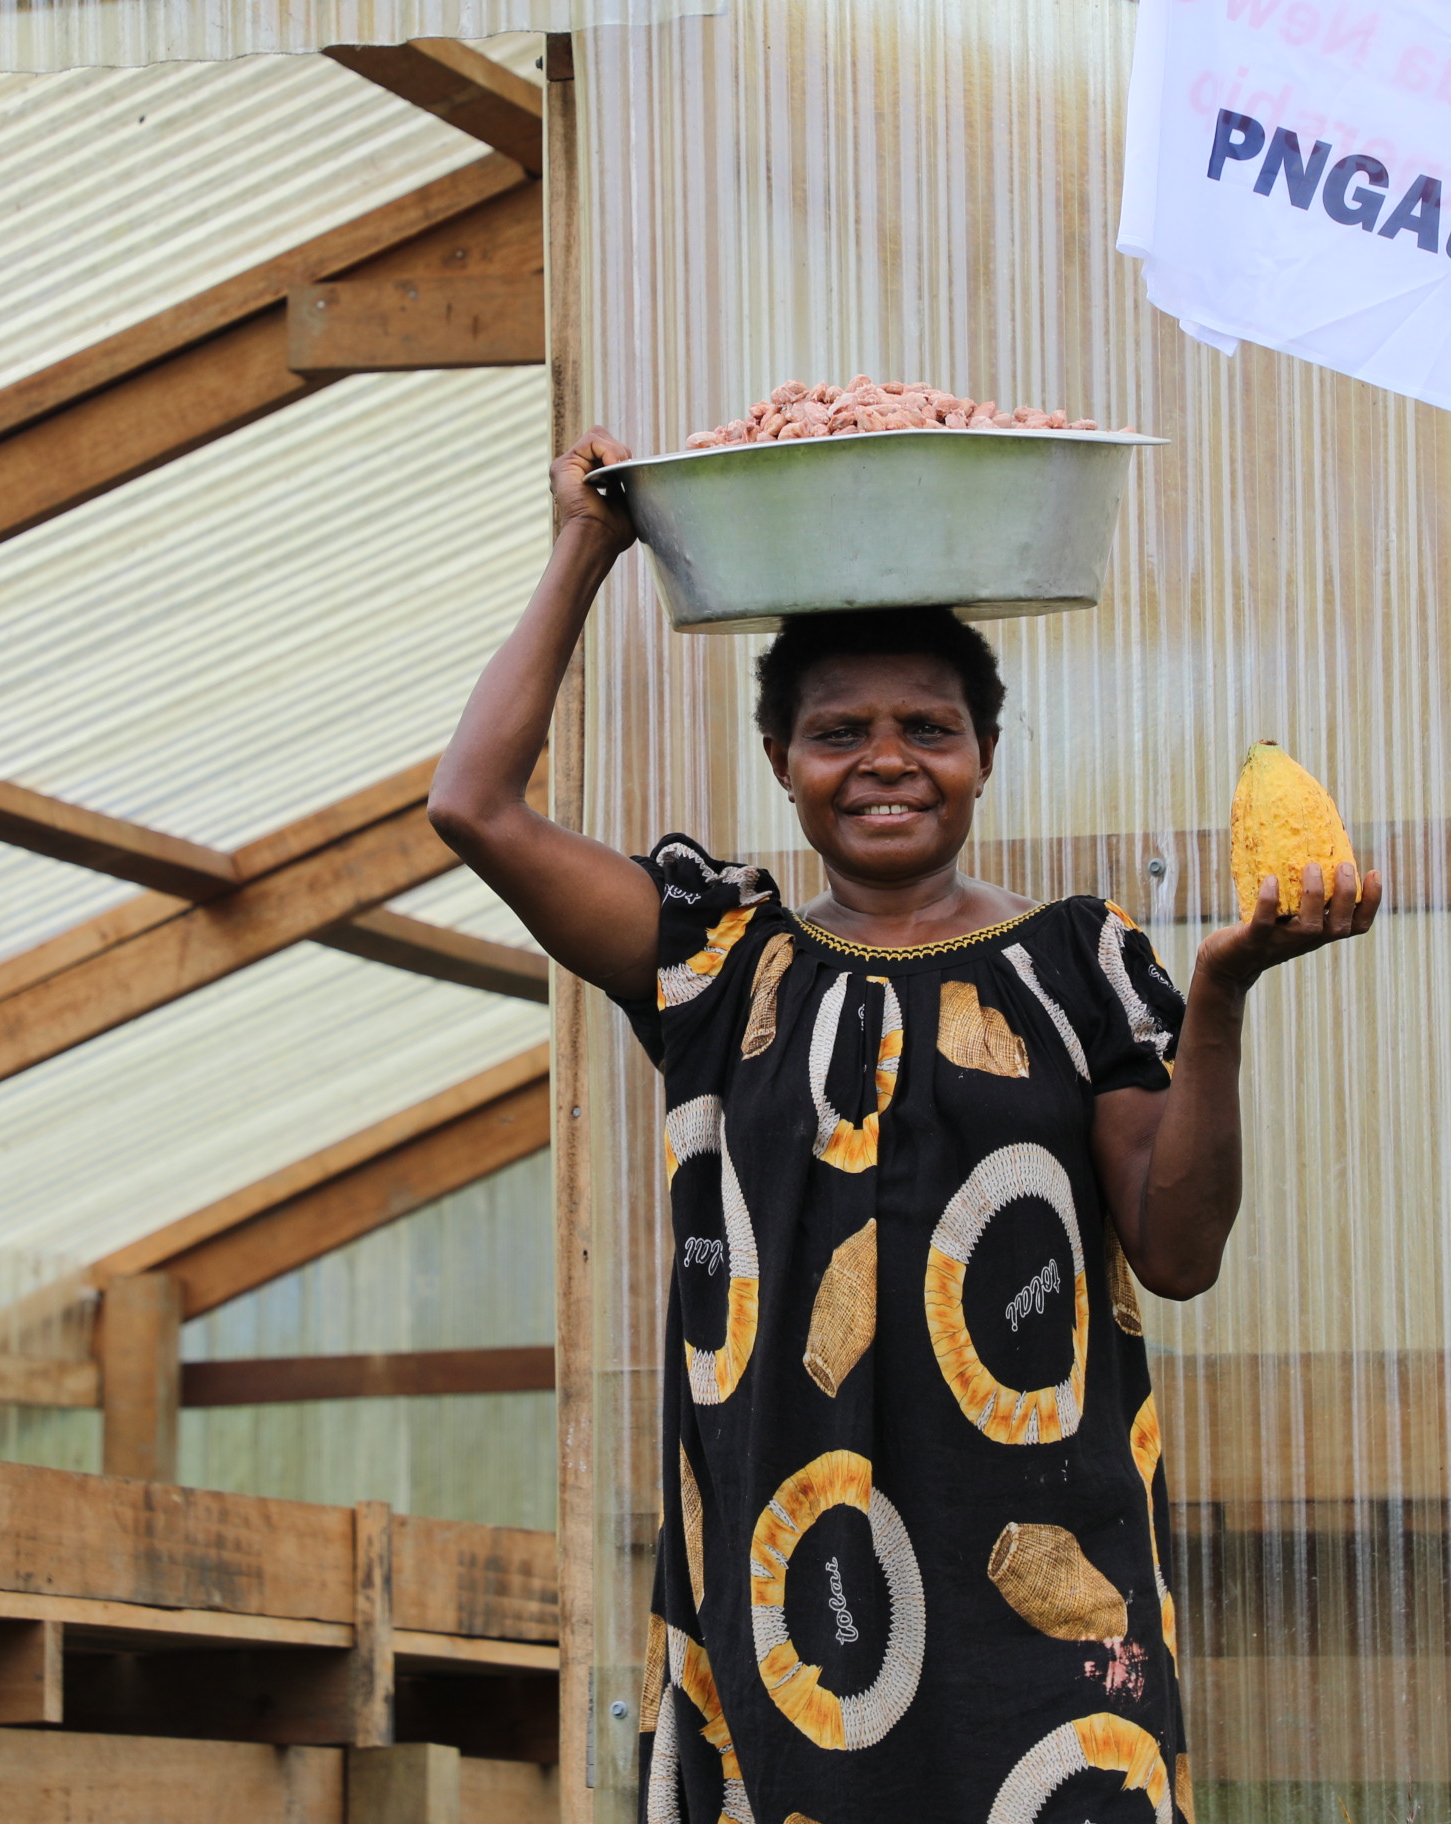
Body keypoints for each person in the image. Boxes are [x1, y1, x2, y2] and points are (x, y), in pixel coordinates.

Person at [429, 427, 1383, 1824]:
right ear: (780, 757)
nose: (886, 762)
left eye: (928, 728)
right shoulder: (718, 965)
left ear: (987, 752)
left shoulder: (1078, 967)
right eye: (838, 732)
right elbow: (474, 805)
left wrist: (1225, 993)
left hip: (1044, 1628)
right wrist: (589, 545)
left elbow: (1177, 1250)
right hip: (784, 1609)